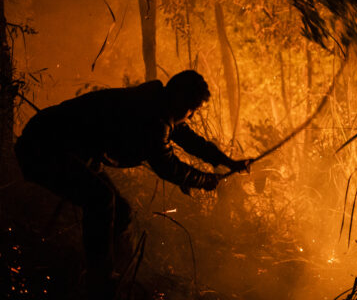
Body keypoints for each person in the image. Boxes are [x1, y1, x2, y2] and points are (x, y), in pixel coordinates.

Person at [14, 70, 251, 299]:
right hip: (44, 148)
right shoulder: (152, 115)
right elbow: (167, 166)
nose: (191, 116)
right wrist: (206, 180)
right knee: (101, 200)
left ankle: (118, 275)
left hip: (68, 149)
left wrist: (226, 162)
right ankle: (101, 282)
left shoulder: (158, 104)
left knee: (121, 212)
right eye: (192, 109)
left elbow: (188, 139)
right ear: (180, 101)